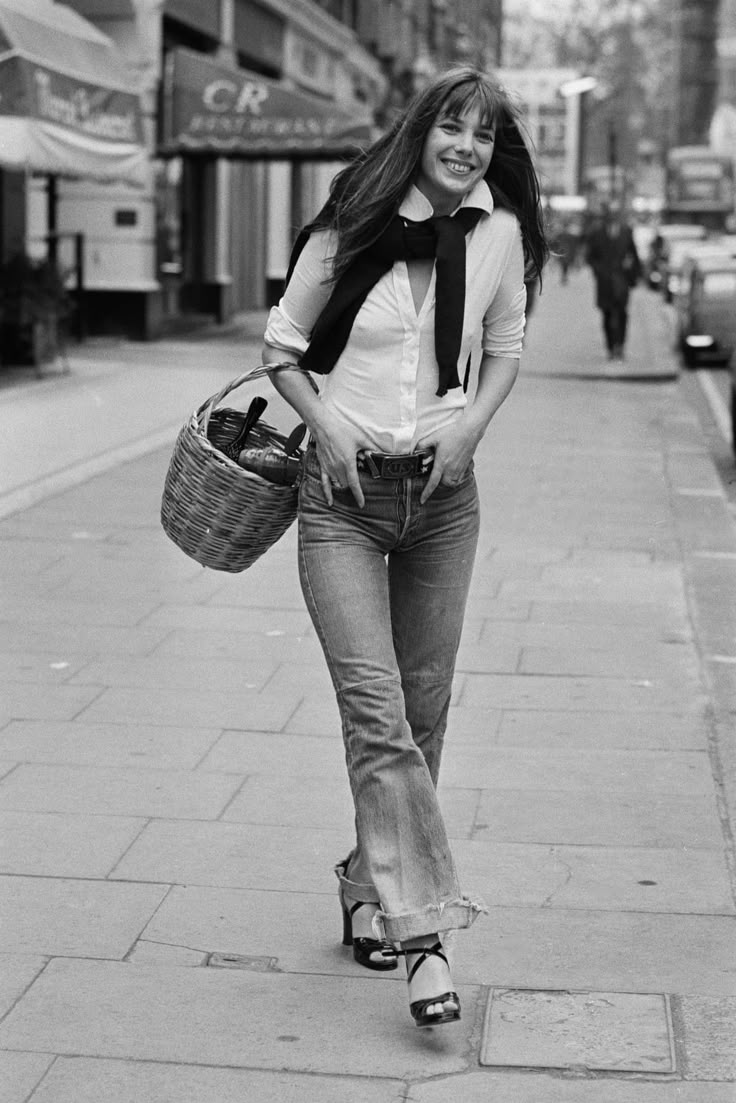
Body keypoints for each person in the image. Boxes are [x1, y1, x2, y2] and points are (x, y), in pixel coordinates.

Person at [261, 66, 548, 1029]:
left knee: (421, 714)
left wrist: (470, 431)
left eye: (481, 134)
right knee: (377, 712)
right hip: (340, 499)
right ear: (422, 131)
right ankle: (425, 940)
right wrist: (325, 427)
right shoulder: (353, 220)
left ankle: (360, 876)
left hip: (443, 498)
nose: (464, 146)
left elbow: (505, 346)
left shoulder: (500, 236)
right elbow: (282, 342)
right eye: (451, 129)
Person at [585, 203, 641, 360]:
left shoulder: (627, 232)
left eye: (616, 214)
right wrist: (599, 271)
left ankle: (620, 346)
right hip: (604, 283)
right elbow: (590, 257)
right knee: (607, 314)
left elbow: (634, 256)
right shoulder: (597, 233)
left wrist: (633, 276)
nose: (613, 217)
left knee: (622, 313)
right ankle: (610, 346)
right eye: (610, 214)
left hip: (621, 281)